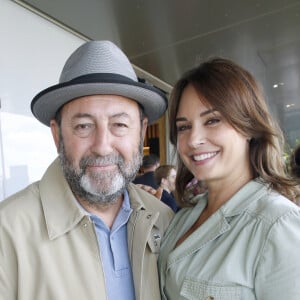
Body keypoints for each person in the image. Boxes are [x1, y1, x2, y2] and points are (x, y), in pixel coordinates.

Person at [0, 40, 174, 300]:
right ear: (57, 135)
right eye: (83, 126)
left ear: (141, 131)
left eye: (119, 125)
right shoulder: (8, 232)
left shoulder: (162, 218)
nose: (102, 147)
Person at [158, 58, 300, 299]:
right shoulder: (182, 219)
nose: (193, 140)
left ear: (248, 126)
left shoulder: (277, 225)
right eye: (184, 127)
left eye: (212, 120)